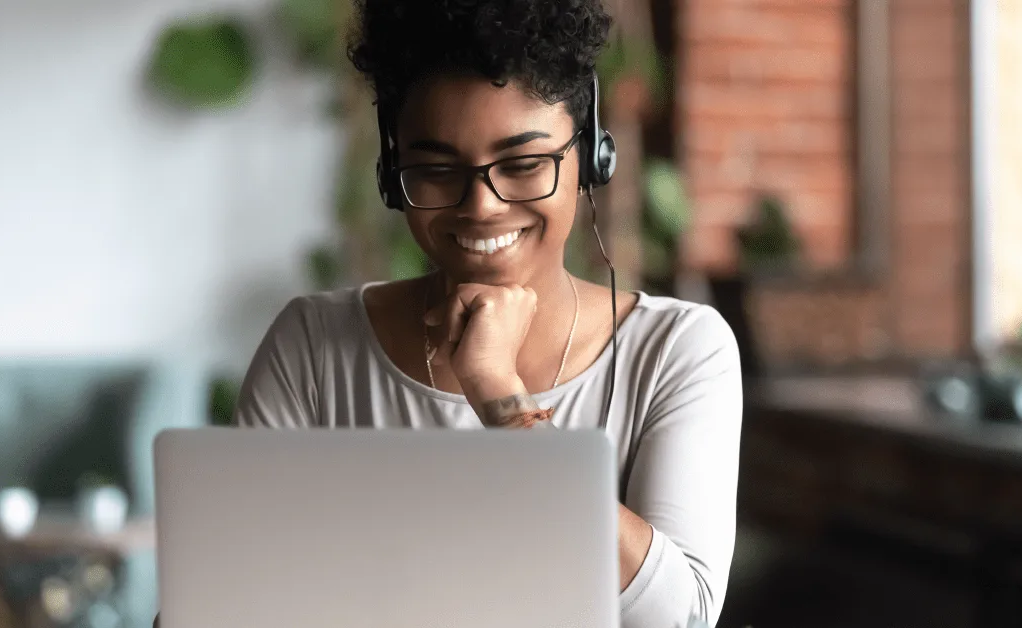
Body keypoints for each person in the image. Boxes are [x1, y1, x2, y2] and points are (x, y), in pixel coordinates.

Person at [229, 0, 744, 626]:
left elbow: (677, 617)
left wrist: (499, 394)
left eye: (525, 165)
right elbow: (234, 597)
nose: (481, 206)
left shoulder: (677, 351)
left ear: (591, 159)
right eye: (437, 169)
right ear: (394, 177)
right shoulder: (312, 347)